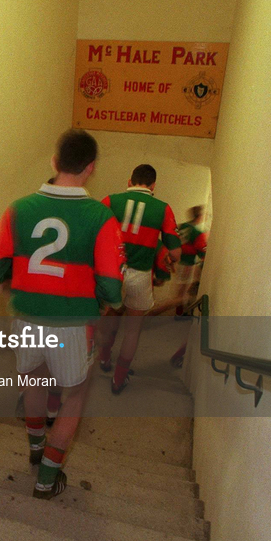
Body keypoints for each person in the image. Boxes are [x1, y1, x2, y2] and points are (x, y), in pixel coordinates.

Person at [0, 129, 124, 499]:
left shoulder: (17, 209)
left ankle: (34, 447)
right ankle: (47, 477)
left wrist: (15, 296)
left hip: (27, 317)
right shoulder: (101, 217)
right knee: (74, 396)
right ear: (91, 169)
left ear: (54, 162)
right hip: (73, 325)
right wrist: (101, 305)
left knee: (33, 381)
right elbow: (112, 286)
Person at [96, 164, 182, 394]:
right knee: (133, 330)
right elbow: (175, 253)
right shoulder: (163, 209)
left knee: (110, 316)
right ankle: (118, 379)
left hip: (111, 271)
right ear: (153, 186)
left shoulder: (109, 201)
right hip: (139, 274)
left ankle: (103, 359)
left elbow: (94, 234)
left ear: (129, 181)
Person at [174, 205, 208, 320]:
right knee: (184, 291)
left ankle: (180, 312)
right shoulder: (196, 231)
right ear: (199, 216)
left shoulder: (182, 226)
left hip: (179, 260)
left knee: (180, 289)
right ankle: (179, 313)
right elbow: (200, 249)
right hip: (188, 262)